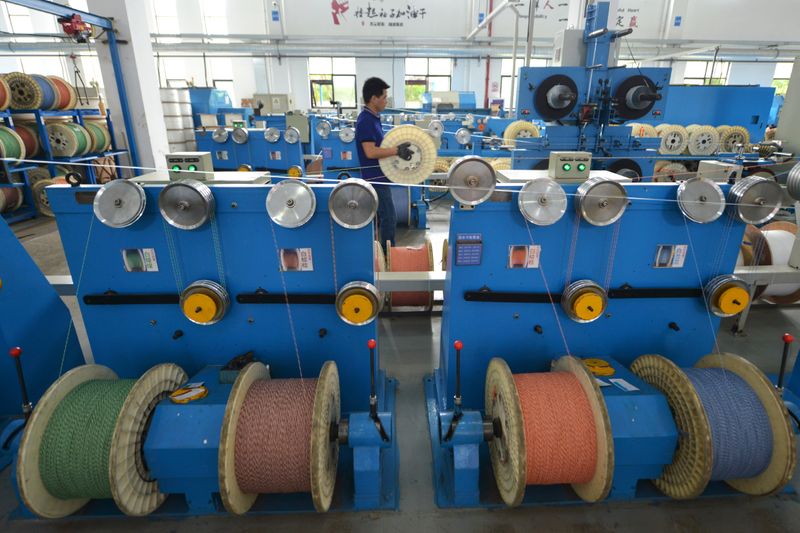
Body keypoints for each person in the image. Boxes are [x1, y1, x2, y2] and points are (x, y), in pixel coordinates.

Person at [355, 77, 413, 252]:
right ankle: (387, 256)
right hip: (375, 179)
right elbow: (370, 152)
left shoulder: (374, 118)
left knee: (386, 217)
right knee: (389, 217)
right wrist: (397, 151)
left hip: (381, 177)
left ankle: (382, 252)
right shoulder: (366, 120)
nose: (387, 100)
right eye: (384, 97)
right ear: (374, 98)